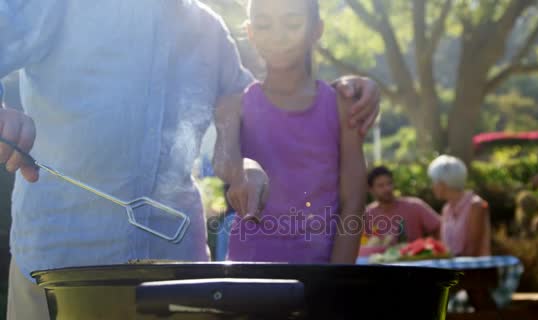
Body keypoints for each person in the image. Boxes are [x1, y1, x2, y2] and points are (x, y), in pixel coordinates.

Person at [0, 1, 381, 318]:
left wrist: (351, 90)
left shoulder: (211, 33)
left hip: (178, 276)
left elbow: (251, 116)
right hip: (60, 266)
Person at [213, 0, 368, 264]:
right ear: (250, 33)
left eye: (292, 23)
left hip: (319, 272)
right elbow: (223, 162)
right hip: (249, 269)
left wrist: (336, 278)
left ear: (316, 30)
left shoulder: (341, 105)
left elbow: (353, 199)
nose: (278, 36)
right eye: (264, 25)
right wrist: (245, 168)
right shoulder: (235, 104)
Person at [427, 155, 491, 257]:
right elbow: (445, 249)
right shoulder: (446, 209)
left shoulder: (476, 205)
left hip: (474, 271)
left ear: (443, 183)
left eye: (434, 182)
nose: (432, 186)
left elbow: (472, 251)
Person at [364, 166, 441, 246]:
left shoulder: (414, 206)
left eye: (389, 183)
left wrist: (434, 249)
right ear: (371, 190)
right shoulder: (367, 214)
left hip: (413, 256)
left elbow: (438, 227)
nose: (387, 189)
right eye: (381, 186)